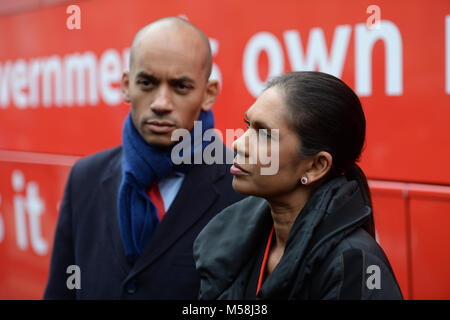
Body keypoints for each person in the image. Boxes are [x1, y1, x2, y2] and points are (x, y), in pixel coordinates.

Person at [44, 17, 243, 299]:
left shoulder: (245, 190)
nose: (161, 103)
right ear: (126, 85)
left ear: (208, 94)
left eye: (180, 86)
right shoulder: (85, 178)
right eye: (147, 83)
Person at [193, 71, 403, 300]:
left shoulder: (354, 265)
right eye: (247, 126)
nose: (237, 144)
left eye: (264, 134)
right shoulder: (232, 241)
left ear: (316, 166)